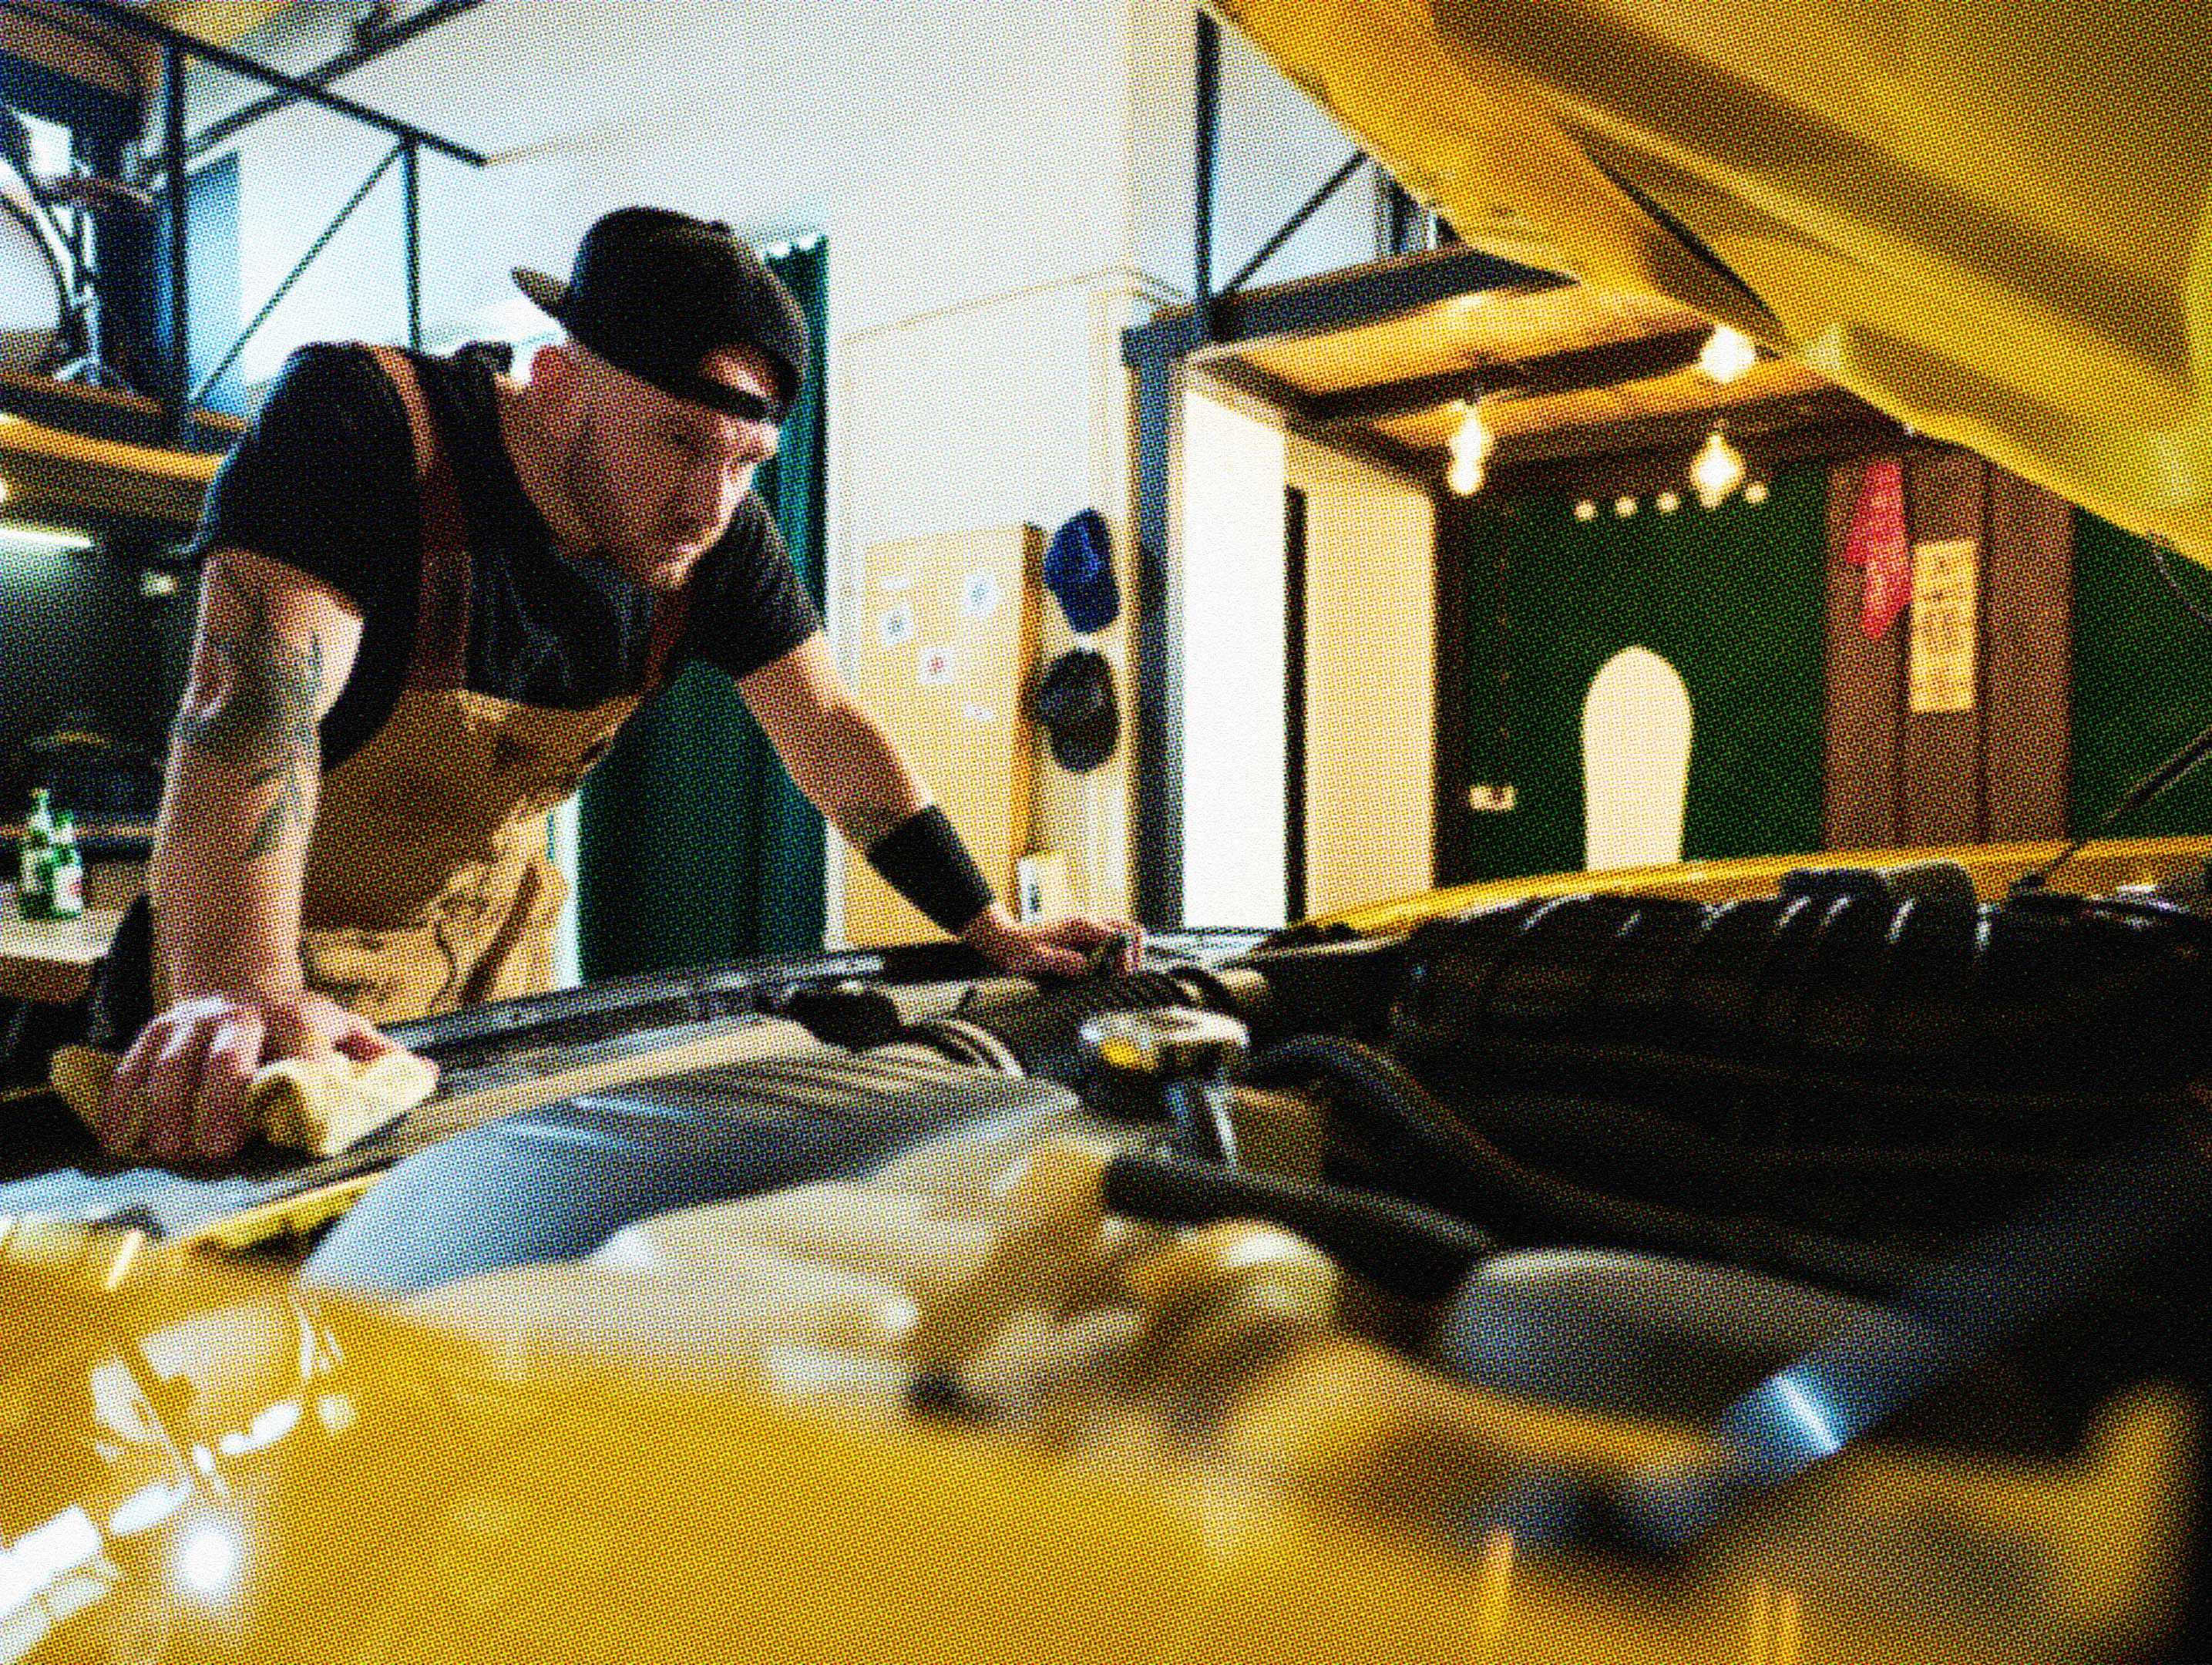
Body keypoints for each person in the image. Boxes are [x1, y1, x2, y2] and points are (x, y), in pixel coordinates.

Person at [89, 206, 1138, 1164]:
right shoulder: (365, 425)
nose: (709, 502)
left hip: (485, 997)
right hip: (261, 989)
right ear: (558, 383)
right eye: (678, 442)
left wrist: (986, 924)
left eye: (746, 461)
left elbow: (826, 729)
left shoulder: (716, 541)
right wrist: (240, 986)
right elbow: (253, 704)